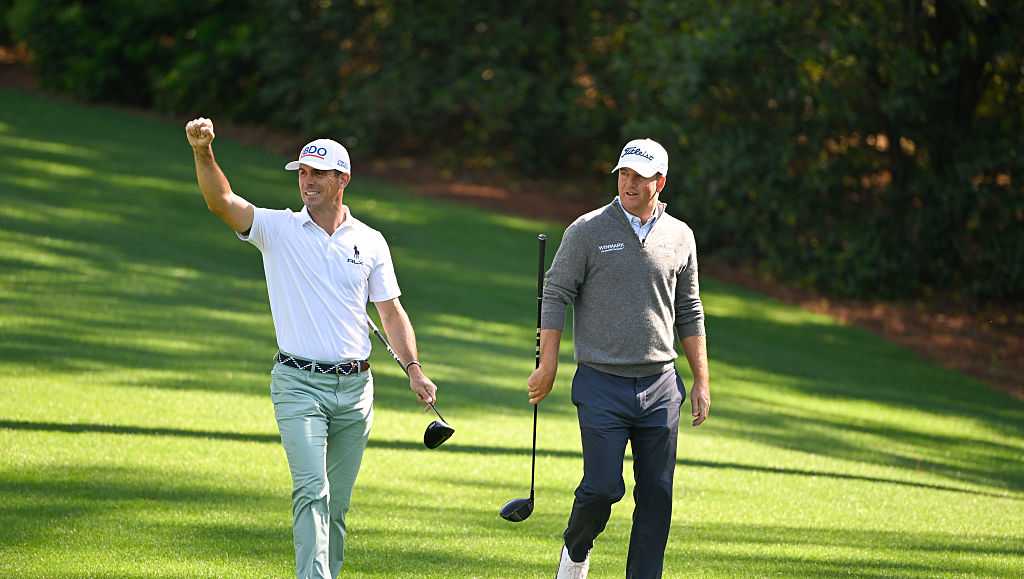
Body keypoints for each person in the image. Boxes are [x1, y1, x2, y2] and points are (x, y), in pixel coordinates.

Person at [185, 117, 437, 579]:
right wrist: (203, 152)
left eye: (318, 173)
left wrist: (414, 368)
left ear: (343, 179)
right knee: (311, 491)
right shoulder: (276, 229)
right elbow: (220, 201)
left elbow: (391, 312)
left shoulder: (370, 241)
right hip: (298, 385)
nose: (307, 181)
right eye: (302, 172)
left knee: (336, 505)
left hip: (356, 390)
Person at [527, 138, 711, 579]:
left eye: (640, 177)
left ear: (659, 182)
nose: (629, 183)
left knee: (657, 494)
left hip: (661, 385)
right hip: (601, 382)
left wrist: (702, 379)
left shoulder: (680, 236)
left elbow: (689, 309)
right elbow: (556, 293)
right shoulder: (588, 230)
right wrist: (548, 364)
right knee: (602, 488)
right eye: (624, 174)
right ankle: (576, 549)